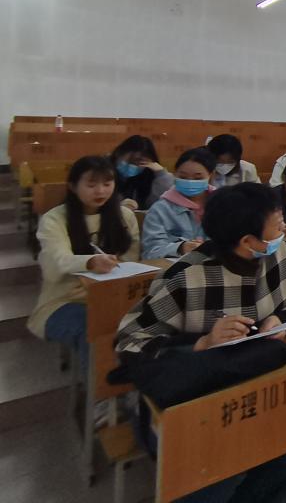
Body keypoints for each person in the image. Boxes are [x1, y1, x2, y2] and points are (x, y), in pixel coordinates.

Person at [116, 182, 286, 502]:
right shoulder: (185, 276)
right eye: (277, 226)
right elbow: (130, 342)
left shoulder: (281, 253)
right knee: (218, 472)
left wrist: (281, 319)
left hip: (258, 383)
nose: (284, 232)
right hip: (196, 398)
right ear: (247, 241)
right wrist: (202, 342)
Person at [28, 156, 139, 369]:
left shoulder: (124, 216)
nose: (100, 191)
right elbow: (56, 263)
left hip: (114, 295)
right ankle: (101, 389)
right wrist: (90, 262)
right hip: (65, 299)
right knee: (96, 329)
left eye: (107, 183)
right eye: (91, 184)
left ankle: (136, 381)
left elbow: (131, 261)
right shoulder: (55, 219)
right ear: (72, 186)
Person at [141, 148, 216, 259]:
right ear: (175, 174)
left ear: (211, 175)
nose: (190, 181)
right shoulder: (160, 209)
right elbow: (150, 252)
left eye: (198, 178)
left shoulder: (223, 205)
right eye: (183, 177)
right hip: (174, 268)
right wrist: (180, 248)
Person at [111, 135, 173, 210]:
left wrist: (161, 175)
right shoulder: (105, 171)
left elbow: (158, 206)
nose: (132, 165)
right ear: (118, 154)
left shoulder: (148, 178)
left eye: (139, 162)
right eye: (130, 160)